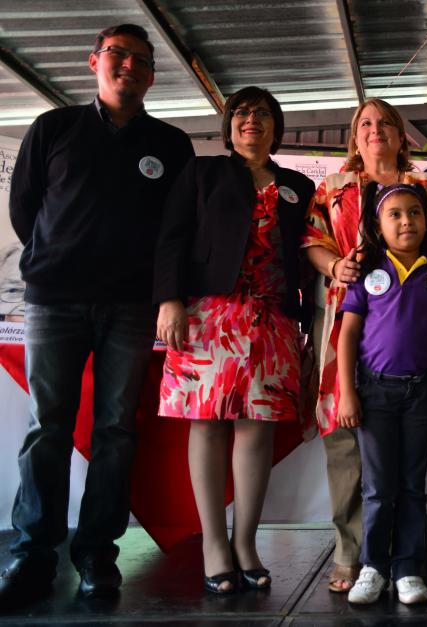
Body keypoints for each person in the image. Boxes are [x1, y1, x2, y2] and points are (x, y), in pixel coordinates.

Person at [0, 24, 193, 607]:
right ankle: (33, 554)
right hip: (55, 300)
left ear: (153, 76)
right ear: (93, 62)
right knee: (47, 427)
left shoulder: (171, 143)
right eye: (117, 55)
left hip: (132, 306)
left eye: (141, 59)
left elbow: (176, 232)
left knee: (115, 430)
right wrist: (51, 259)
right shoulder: (54, 128)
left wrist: (165, 294)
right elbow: (25, 206)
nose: (128, 66)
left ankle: (96, 555)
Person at [153, 86, 316, 594]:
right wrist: (169, 299)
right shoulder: (202, 173)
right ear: (228, 125)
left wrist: (314, 320)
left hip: (272, 321)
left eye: (263, 113)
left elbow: (312, 253)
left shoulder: (297, 185)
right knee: (206, 425)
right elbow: (171, 237)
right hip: (208, 316)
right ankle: (213, 543)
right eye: (242, 113)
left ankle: (245, 541)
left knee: (256, 431)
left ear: (276, 127)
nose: (252, 121)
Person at [302, 98, 427, 593]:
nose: (375, 131)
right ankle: (354, 555)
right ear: (354, 137)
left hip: (411, 334)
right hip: (343, 324)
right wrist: (334, 266)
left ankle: (406, 560)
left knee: (408, 465)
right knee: (346, 441)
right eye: (365, 124)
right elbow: (310, 240)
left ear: (401, 135)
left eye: (385, 123)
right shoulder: (329, 190)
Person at [335, 182, 427, 605]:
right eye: (395, 214)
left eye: (415, 213)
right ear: (378, 225)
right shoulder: (368, 271)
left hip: (423, 393)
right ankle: (373, 567)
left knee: (411, 485)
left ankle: (408, 568)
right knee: (376, 486)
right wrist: (347, 391)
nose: (406, 221)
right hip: (374, 393)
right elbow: (347, 333)